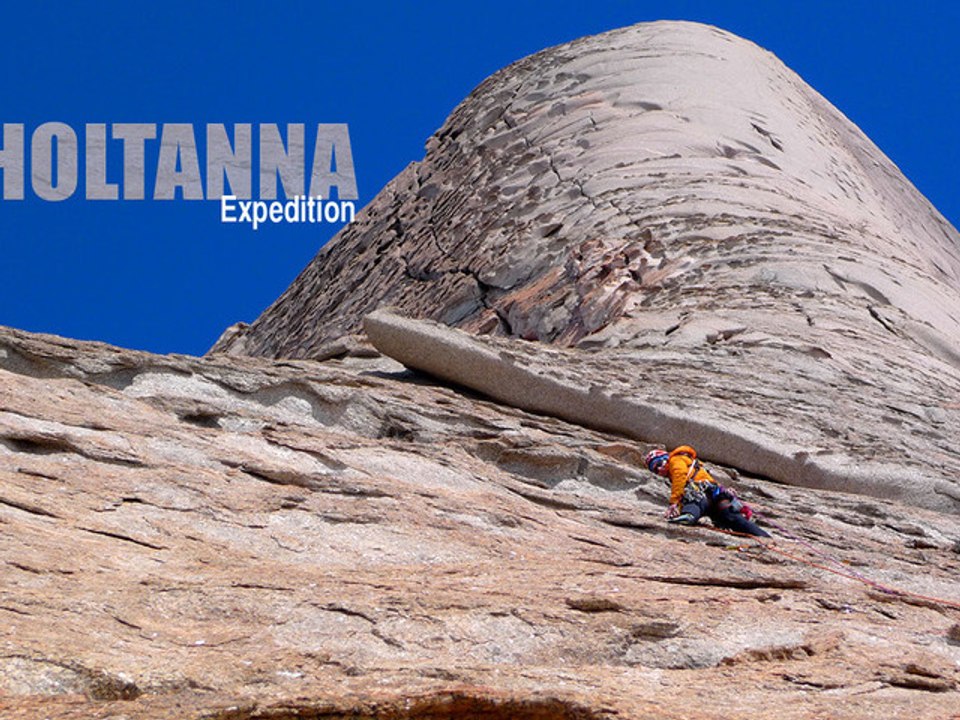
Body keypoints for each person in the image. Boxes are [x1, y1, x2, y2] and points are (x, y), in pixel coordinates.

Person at [644, 445, 769, 537]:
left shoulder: (675, 460)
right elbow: (709, 480)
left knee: (695, 500)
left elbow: (679, 476)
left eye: (659, 463)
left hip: (702, 493)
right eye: (655, 470)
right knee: (729, 516)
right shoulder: (690, 465)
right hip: (715, 493)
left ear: (666, 458)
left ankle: (689, 516)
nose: (659, 469)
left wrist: (673, 503)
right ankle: (762, 536)